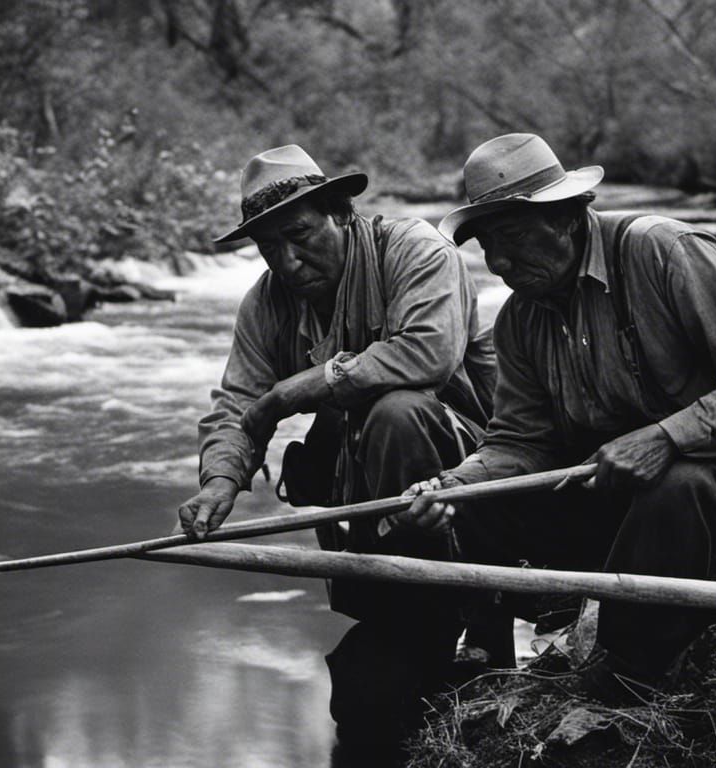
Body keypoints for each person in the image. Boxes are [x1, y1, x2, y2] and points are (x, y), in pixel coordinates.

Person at [400, 133, 716, 701]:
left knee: (679, 482)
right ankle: (473, 648)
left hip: (709, 479)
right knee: (467, 512)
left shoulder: (664, 251)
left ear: (569, 216)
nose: (496, 262)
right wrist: (454, 487)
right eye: (487, 244)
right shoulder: (520, 320)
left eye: (512, 236)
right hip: (601, 492)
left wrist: (666, 438)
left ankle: (625, 671)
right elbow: (521, 443)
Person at [176, 144, 495, 761]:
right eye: (269, 247)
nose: (287, 262)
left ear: (341, 214)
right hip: (368, 494)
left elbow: (427, 354)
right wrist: (219, 480)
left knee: (397, 411)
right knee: (367, 706)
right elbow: (234, 405)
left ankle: (452, 611)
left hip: (469, 471)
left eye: (298, 235)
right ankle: (401, 621)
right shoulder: (266, 302)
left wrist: (294, 391)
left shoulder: (415, 249)